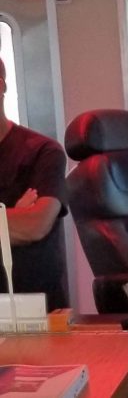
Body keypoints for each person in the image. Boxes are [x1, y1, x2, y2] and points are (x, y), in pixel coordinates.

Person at [0, 57, 69, 311]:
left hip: (34, 310)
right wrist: (9, 218)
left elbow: (35, 225)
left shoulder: (42, 152)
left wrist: (18, 221)